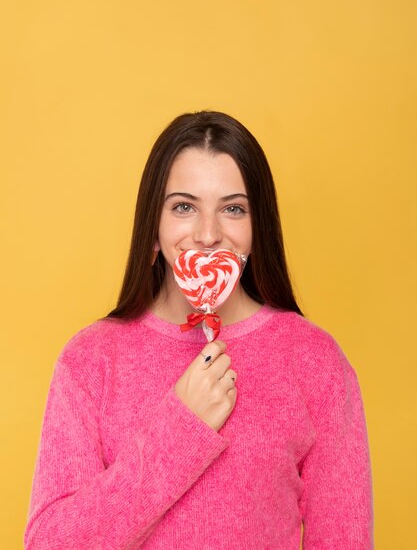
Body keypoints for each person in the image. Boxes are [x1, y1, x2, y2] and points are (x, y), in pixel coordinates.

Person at [25, 111, 373, 549]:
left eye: (233, 208)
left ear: (257, 229)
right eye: (184, 207)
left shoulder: (314, 360)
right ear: (153, 229)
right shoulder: (90, 360)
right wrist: (181, 428)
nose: (208, 234)